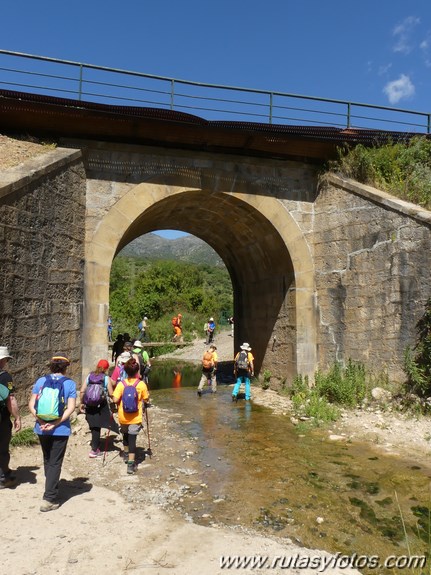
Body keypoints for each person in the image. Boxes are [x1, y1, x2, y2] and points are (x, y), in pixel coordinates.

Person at [28, 355, 77, 512]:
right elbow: (70, 408)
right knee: (55, 461)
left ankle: (50, 487)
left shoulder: (41, 381)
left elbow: (31, 404)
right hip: (60, 429)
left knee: (48, 458)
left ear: (51, 367)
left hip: (41, 428)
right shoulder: (69, 384)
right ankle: (49, 498)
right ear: (65, 367)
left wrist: (42, 422)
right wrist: (55, 423)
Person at [112, 358, 149, 475]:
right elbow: (146, 399)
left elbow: (115, 399)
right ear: (137, 371)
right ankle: (130, 465)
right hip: (135, 417)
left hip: (123, 416)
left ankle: (126, 455)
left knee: (125, 435)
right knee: (133, 439)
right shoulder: (141, 384)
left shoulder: (121, 384)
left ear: (126, 371)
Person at [80, 359, 119, 458]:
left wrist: (82, 402)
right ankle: (94, 450)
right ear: (106, 369)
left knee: (93, 425)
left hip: (89, 404)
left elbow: (82, 391)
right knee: (97, 425)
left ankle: (95, 444)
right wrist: (116, 401)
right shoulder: (106, 378)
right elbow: (110, 393)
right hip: (100, 405)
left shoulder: (90, 376)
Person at [0, 346, 21, 489]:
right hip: (1, 419)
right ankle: (3, 477)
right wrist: (17, 417)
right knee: (2, 447)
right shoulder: (5, 377)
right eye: (6, 359)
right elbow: (11, 400)